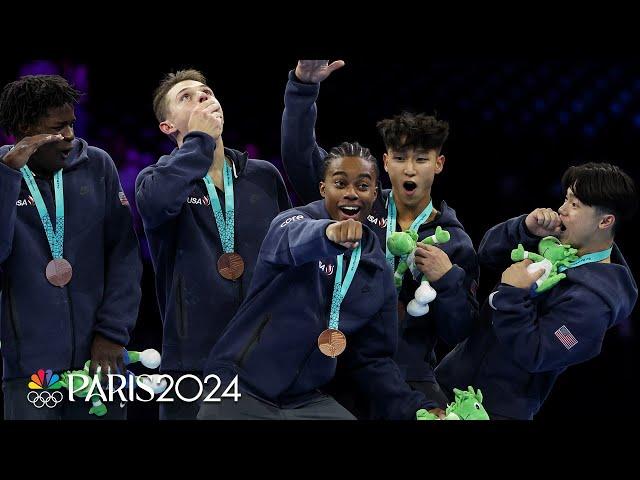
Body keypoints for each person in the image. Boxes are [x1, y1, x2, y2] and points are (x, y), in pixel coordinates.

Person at [280, 60, 479, 413]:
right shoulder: (356, 201)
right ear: (386, 163)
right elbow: (301, 156)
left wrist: (448, 280)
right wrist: (303, 88)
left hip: (407, 374)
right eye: (400, 158)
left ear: (439, 164)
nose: (410, 168)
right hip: (333, 363)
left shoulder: (455, 241)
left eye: (421, 158)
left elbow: (459, 331)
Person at [198, 142, 442, 420]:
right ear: (324, 188)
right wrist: (329, 234)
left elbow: (373, 360)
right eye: (340, 184)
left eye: (362, 186)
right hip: (239, 386)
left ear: (375, 194)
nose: (351, 194)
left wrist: (417, 409)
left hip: (304, 401)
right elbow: (291, 239)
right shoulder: (292, 221)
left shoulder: (377, 269)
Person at [136, 69, 291, 419]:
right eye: (186, 98)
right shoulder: (156, 180)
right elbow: (159, 203)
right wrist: (199, 142)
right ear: (168, 127)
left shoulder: (264, 176)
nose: (203, 97)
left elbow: (289, 254)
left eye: (206, 91)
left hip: (264, 356)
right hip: (193, 362)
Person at [435, 162, 638, 419]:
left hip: (495, 411)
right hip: (446, 383)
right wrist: (525, 230)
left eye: (575, 205)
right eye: (566, 199)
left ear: (606, 221)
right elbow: (485, 254)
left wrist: (513, 294)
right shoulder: (553, 242)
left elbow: (535, 353)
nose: (561, 210)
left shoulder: (595, 304)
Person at [0, 75, 142, 420]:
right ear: (25, 128)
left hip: (100, 363)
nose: (69, 136)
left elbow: (124, 255)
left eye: (72, 124)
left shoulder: (97, 165)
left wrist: (112, 334)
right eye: (57, 127)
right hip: (29, 371)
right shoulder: (1, 176)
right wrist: (7, 178)